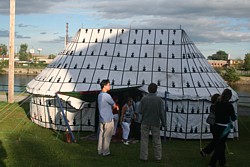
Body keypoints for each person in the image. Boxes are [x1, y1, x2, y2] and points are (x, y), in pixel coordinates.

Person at [138, 83, 166, 162]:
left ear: (148, 90)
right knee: (157, 140)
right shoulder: (159, 100)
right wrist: (164, 123)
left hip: (145, 122)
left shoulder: (144, 99)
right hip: (155, 122)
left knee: (144, 140)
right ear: (156, 90)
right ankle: (158, 157)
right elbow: (162, 113)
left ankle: (144, 157)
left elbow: (140, 111)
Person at [208, 89, 237, 167]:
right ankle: (212, 164)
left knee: (221, 145)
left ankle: (222, 162)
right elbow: (233, 117)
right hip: (223, 128)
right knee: (219, 147)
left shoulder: (217, 104)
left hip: (214, 127)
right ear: (230, 97)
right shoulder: (229, 105)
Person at [97, 79, 119, 156]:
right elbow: (114, 105)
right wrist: (115, 107)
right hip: (108, 118)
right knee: (107, 136)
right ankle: (105, 152)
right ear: (105, 86)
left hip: (101, 118)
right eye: (109, 85)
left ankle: (100, 150)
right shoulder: (107, 96)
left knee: (101, 135)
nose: (110, 86)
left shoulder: (99, 95)